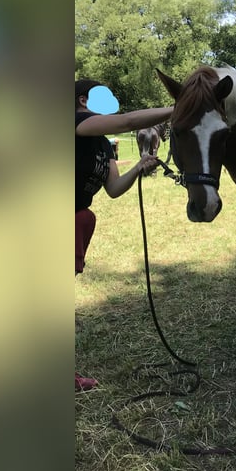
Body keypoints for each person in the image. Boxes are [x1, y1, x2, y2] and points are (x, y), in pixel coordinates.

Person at [75, 79, 173, 390]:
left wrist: (140, 167)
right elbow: (130, 120)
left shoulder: (103, 143)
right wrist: (180, 107)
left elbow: (114, 189)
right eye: (102, 98)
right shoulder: (75, 121)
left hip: (78, 218)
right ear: (81, 100)